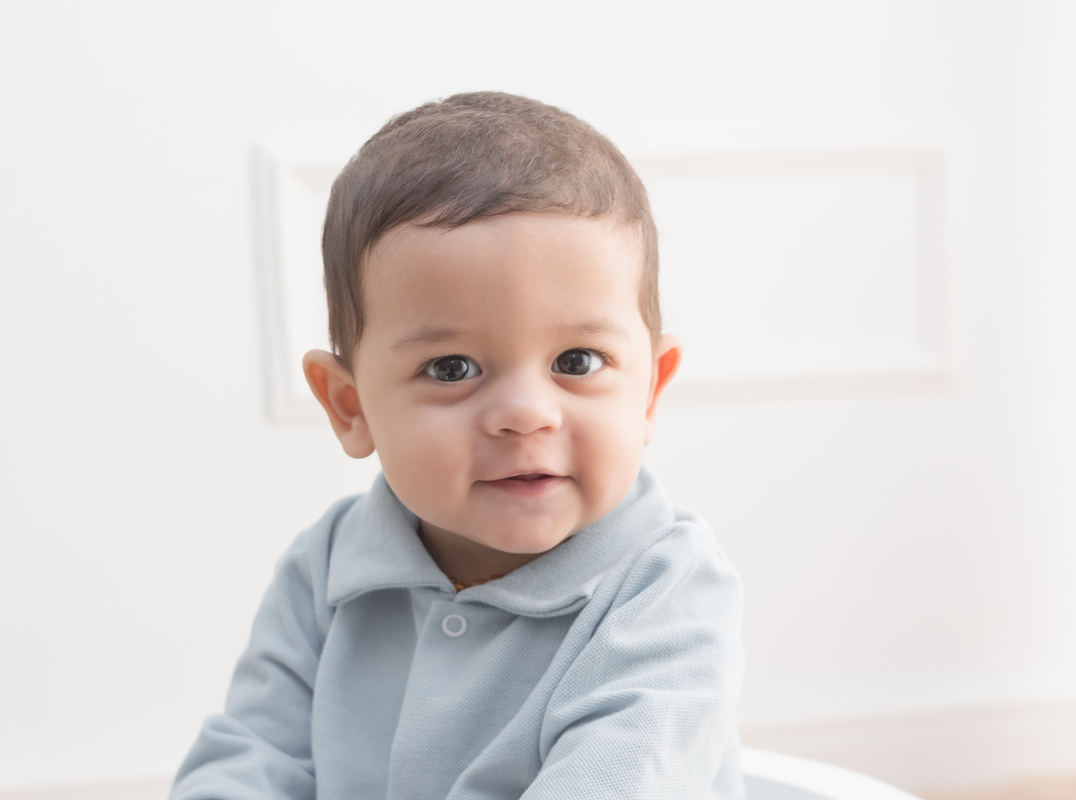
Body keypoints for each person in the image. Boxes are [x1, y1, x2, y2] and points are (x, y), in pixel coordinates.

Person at [170, 92, 744, 800]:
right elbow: (254, 757)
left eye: (577, 361)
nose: (528, 415)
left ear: (650, 390)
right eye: (451, 370)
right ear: (350, 407)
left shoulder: (667, 587)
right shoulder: (326, 570)